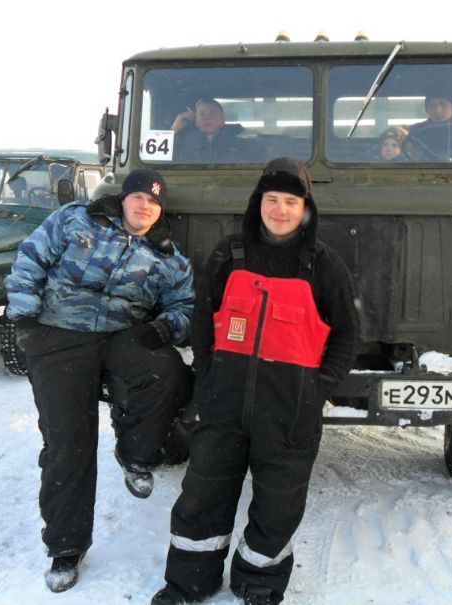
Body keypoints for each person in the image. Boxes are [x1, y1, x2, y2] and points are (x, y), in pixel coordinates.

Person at [151, 157, 359, 605]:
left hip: (289, 412)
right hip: (224, 404)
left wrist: (318, 389)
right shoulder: (230, 254)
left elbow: (347, 334)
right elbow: (204, 322)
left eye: (290, 201)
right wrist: (206, 377)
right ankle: (189, 582)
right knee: (202, 496)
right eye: (272, 199)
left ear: (304, 208)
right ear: (258, 202)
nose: (280, 210)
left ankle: (259, 582)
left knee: (277, 505)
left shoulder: (323, 265)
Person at [5, 169, 195, 593]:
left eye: (154, 202)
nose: (144, 206)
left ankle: (136, 454)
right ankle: (65, 546)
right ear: (124, 199)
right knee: (67, 441)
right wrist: (23, 319)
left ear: (160, 211)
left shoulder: (168, 257)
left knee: (170, 374)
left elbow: (184, 307)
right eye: (139, 197)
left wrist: (165, 329)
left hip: (118, 335)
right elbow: (31, 258)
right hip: (60, 331)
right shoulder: (77, 219)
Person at [171, 97, 248, 162]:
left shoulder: (241, 144)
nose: (207, 118)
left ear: (222, 120)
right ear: (196, 120)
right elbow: (160, 161)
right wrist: (173, 131)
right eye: (202, 114)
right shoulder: (180, 144)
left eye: (212, 114)